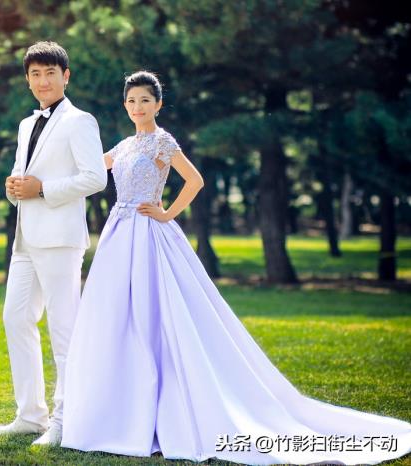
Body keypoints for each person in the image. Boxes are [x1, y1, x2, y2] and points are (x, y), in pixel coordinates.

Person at [60, 70, 411, 464]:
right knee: (114, 317)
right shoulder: (124, 145)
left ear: (158, 104)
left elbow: (195, 181)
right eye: (131, 101)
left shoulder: (162, 141)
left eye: (144, 100)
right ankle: (121, 411)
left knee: (156, 315)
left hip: (149, 235)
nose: (137, 107)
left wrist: (167, 213)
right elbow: (91, 172)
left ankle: (165, 407)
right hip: (117, 238)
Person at [0, 41, 107, 446]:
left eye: (50, 73)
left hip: (60, 239)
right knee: (15, 318)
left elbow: (96, 178)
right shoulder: (26, 124)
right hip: (25, 238)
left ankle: (65, 420)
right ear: (27, 80)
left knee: (63, 328)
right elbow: (24, 175)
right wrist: (14, 187)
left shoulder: (80, 121)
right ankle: (30, 415)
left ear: (65, 76)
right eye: (35, 74)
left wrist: (41, 189)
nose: (43, 81)